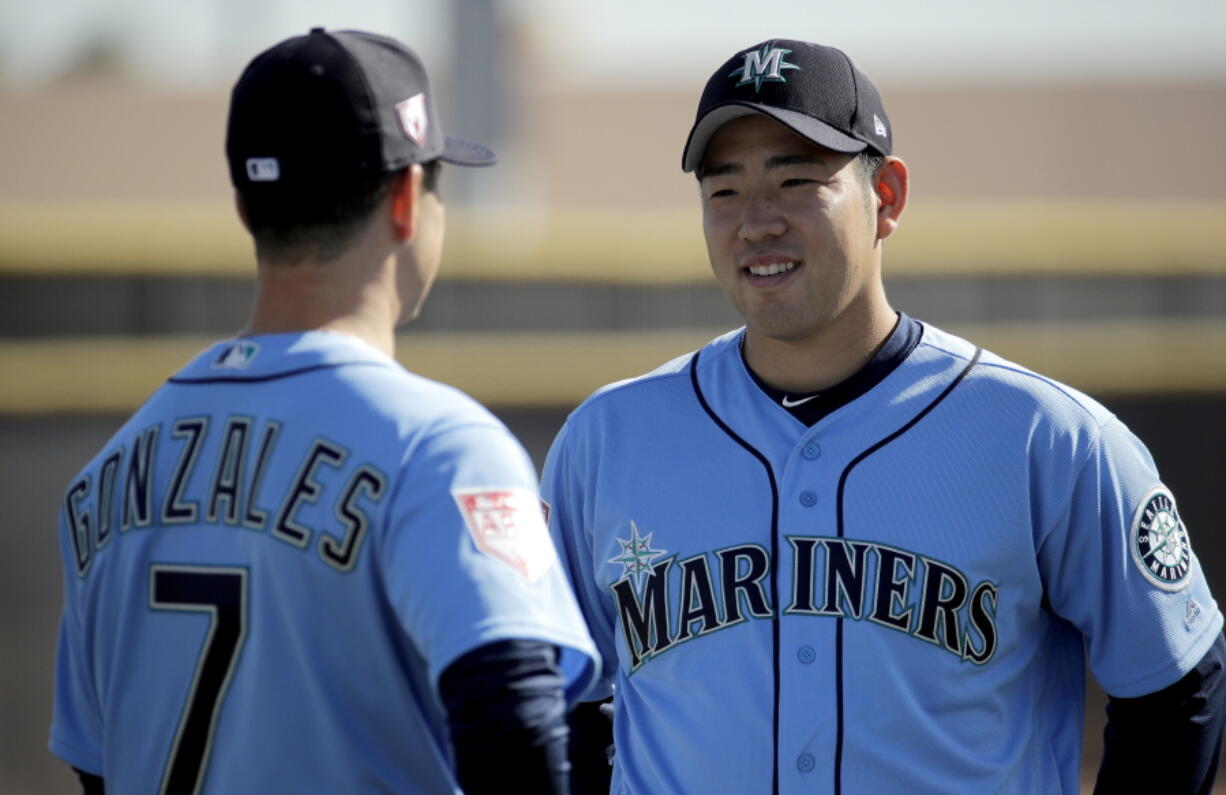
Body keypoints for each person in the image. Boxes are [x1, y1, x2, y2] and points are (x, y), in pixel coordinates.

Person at [542, 39, 1225, 793]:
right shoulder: (608, 440)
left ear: (887, 197)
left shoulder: (1046, 437)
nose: (756, 222)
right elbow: (564, 702)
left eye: (797, 179)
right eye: (724, 191)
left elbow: (1177, 684)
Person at [49, 28, 598, 794]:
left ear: (245, 205)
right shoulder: (440, 448)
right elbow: (518, 733)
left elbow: (96, 764)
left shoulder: (107, 474)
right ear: (408, 200)